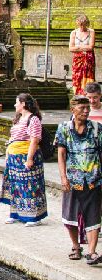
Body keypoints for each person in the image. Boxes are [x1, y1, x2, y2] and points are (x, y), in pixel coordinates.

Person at [55, 95, 102, 264]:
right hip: (73, 178)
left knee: (93, 213)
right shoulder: (64, 129)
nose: (86, 111)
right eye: (82, 108)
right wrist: (63, 177)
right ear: (72, 110)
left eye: (88, 108)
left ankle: (92, 252)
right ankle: (76, 246)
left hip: (93, 177)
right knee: (71, 214)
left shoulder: (97, 128)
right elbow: (61, 153)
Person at [0, 94, 47, 226]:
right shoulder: (19, 119)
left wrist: (29, 158)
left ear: (23, 104)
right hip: (14, 157)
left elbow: (34, 140)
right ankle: (15, 213)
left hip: (26, 155)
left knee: (29, 186)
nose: (15, 105)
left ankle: (33, 217)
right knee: (15, 186)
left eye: (16, 102)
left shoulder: (33, 119)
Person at [70, 14, 96, 95]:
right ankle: (77, 94)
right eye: (80, 25)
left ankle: (88, 94)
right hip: (77, 60)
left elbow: (91, 47)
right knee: (77, 77)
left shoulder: (91, 32)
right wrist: (84, 48)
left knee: (89, 78)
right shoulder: (73, 33)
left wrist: (77, 48)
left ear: (87, 24)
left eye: (83, 25)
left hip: (88, 60)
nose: (82, 27)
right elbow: (71, 48)